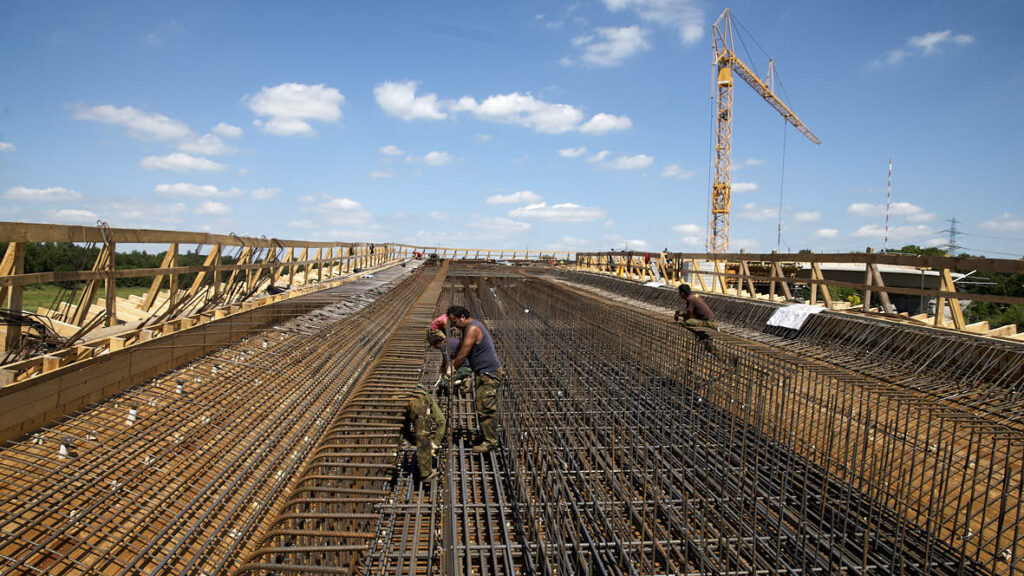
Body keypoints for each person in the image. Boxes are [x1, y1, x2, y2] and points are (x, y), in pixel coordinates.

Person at [446, 305, 502, 454]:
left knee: (486, 408)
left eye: (455, 322)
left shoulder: (473, 329)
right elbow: (460, 347)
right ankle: (487, 437)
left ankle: (490, 442)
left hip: (489, 374)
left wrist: (453, 368)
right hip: (482, 373)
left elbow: (464, 353)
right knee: (482, 406)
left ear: (463, 317)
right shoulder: (467, 328)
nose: (454, 326)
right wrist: (452, 361)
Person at [400, 384, 446, 481]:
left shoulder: (401, 391)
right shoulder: (426, 396)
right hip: (419, 401)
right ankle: (426, 473)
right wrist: (435, 444)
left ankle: (389, 470)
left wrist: (412, 440)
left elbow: (405, 430)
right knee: (422, 435)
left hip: (398, 398)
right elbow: (441, 421)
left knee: (395, 431)